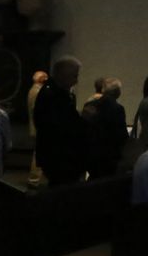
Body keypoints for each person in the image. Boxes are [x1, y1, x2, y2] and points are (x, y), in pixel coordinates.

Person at [34, 57, 88, 186]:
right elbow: (60, 127)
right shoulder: (52, 95)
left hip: (59, 155)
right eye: (74, 76)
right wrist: (84, 120)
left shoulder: (57, 92)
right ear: (62, 75)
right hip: (59, 156)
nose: (76, 81)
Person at [84, 77, 128, 178]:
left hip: (92, 155)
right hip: (109, 156)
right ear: (117, 92)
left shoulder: (89, 105)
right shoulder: (118, 109)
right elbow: (121, 135)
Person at [27, 70, 49, 187]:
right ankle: (34, 179)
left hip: (36, 126)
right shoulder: (38, 91)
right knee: (38, 154)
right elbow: (38, 111)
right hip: (39, 127)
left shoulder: (33, 90)